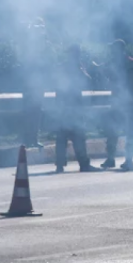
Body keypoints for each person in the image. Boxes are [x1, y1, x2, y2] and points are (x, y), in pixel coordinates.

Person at [54, 45, 100, 173]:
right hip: (73, 107)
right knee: (79, 137)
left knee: (62, 137)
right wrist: (83, 69)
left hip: (62, 107)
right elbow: (87, 80)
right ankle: (84, 164)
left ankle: (59, 165)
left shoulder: (61, 66)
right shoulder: (76, 67)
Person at [101, 39, 133, 171]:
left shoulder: (130, 63)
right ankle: (111, 159)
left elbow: (132, 82)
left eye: (113, 48)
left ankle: (129, 160)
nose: (111, 51)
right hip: (117, 102)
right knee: (112, 131)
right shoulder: (115, 63)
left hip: (128, 102)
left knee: (128, 132)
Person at [21, 17, 50, 149]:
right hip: (30, 81)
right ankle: (28, 138)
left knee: (37, 111)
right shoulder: (28, 43)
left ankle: (34, 138)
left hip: (39, 81)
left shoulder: (43, 43)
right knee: (29, 111)